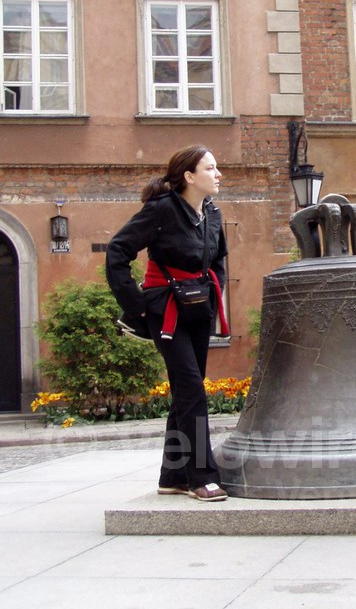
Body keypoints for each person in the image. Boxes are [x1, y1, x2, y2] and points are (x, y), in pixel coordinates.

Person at [106, 145, 229, 502]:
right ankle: (201, 477)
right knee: (192, 390)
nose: (218, 174)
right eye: (211, 168)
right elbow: (118, 252)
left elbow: (219, 259)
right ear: (189, 176)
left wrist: (212, 294)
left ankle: (172, 475)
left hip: (198, 310)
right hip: (167, 311)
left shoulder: (213, 214)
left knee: (186, 390)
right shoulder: (161, 210)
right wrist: (137, 307)